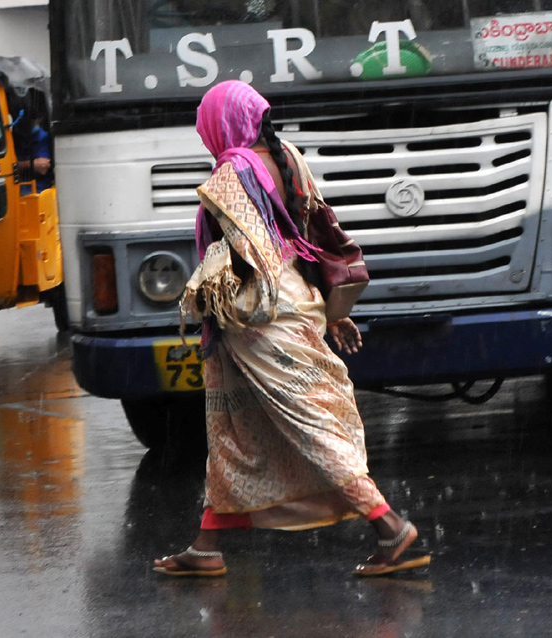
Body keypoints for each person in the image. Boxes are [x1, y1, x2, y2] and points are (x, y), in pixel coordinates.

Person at [152, 80, 430, 578]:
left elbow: (251, 255)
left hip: (258, 316)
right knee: (234, 429)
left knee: (309, 425)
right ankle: (206, 545)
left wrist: (203, 291)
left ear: (223, 124)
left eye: (206, 127)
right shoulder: (287, 158)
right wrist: (332, 308)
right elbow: (308, 237)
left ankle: (390, 527)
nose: (205, 137)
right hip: (295, 302)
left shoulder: (231, 171)